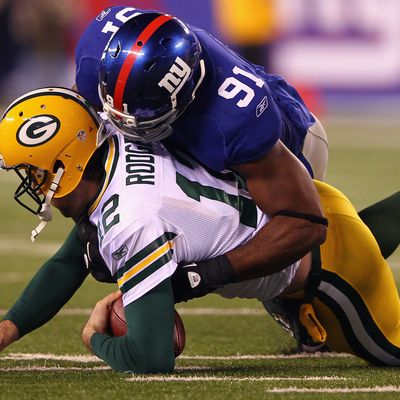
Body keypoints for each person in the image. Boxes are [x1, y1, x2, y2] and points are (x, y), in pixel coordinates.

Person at [1, 88, 400, 373]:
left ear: (64, 165)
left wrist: (93, 338)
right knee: (356, 234)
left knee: (391, 351)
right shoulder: (117, 144)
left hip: (323, 264)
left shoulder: (131, 222)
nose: (32, 184)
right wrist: (8, 328)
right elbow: (73, 258)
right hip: (310, 206)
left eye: (34, 173)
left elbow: (150, 357)